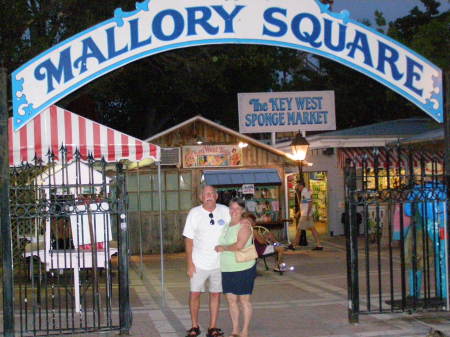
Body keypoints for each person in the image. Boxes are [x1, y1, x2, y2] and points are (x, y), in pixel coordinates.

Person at [183, 185, 230, 337]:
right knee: (195, 293)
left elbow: (233, 231)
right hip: (199, 262)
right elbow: (189, 240)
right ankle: (194, 326)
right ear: (201, 197)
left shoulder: (225, 211)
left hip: (219, 263)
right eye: (205, 194)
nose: (208, 196)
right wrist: (190, 263)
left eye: (211, 193)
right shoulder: (194, 213)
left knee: (215, 294)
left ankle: (213, 327)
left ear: (216, 196)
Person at [215, 198, 256, 337]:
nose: (234, 211)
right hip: (227, 268)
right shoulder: (226, 225)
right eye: (232, 208)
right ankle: (235, 329)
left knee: (244, 300)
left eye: (237, 208)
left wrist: (223, 248)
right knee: (231, 301)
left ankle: (244, 330)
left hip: (243, 267)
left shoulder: (244, 226)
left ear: (243, 210)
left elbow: (239, 246)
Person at [290, 181, 323, 250]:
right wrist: (299, 212)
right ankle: (319, 245)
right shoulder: (304, 192)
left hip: (305, 215)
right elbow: (303, 204)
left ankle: (293, 245)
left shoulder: (305, 192)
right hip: (305, 214)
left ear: (301, 185)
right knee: (313, 229)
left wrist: (307, 214)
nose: (297, 187)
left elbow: (310, 203)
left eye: (297, 185)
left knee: (299, 229)